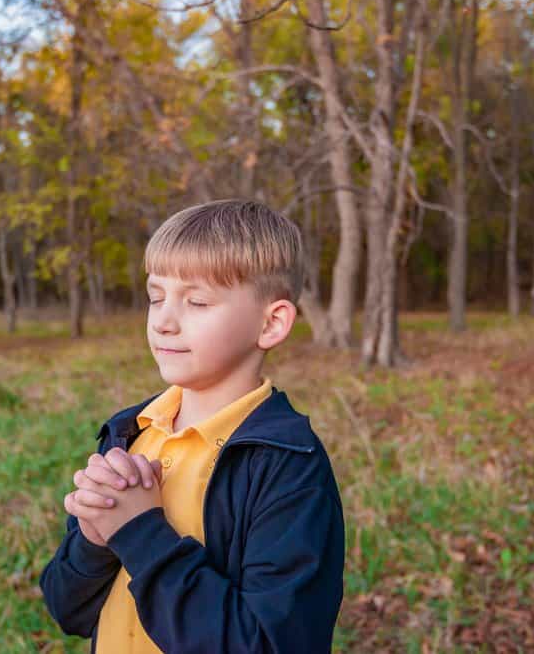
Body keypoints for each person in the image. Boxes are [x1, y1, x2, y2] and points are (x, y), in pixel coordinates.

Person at [39, 199, 345, 653]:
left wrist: (140, 532)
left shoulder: (287, 468)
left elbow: (265, 644)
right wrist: (93, 540)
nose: (163, 321)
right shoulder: (131, 432)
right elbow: (68, 610)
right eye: (156, 297)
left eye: (197, 301)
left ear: (272, 322)